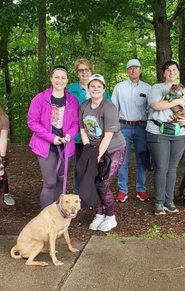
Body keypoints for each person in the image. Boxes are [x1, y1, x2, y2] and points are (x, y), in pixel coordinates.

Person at [146, 60, 185, 215]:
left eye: (174, 69)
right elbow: (155, 105)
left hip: (179, 133)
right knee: (162, 167)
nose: (171, 72)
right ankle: (159, 202)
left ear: (178, 72)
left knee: (173, 168)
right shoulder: (157, 88)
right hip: (158, 132)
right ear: (164, 73)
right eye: (168, 70)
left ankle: (169, 201)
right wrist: (177, 101)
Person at [27, 66, 79, 209]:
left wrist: (69, 135)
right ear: (51, 79)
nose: (59, 80)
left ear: (67, 80)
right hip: (46, 145)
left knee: (61, 180)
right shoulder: (40, 98)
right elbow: (32, 122)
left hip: (65, 145)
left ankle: (58, 213)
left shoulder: (72, 100)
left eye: (63, 77)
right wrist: (51, 137)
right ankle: (46, 215)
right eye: (56, 77)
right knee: (50, 182)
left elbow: (75, 124)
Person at [79, 74, 126, 232]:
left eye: (99, 86)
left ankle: (111, 216)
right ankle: (99, 213)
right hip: (93, 149)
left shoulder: (109, 107)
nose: (96, 89)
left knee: (103, 182)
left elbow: (108, 135)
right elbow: (82, 129)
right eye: (93, 86)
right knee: (92, 181)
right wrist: (87, 149)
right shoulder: (84, 106)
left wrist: (97, 156)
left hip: (113, 149)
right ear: (88, 87)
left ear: (104, 89)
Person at [67, 59, 111, 193]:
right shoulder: (71, 90)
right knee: (80, 166)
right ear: (77, 73)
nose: (84, 72)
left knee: (97, 165)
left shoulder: (100, 89)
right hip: (79, 136)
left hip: (98, 136)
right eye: (81, 70)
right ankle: (78, 194)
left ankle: (93, 194)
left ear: (91, 71)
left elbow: (108, 112)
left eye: (87, 69)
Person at [111, 59, 152, 202]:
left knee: (142, 158)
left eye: (136, 68)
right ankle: (123, 190)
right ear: (127, 71)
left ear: (140, 70)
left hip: (142, 127)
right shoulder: (119, 87)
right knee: (123, 159)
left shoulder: (148, 88)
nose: (133, 70)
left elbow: (151, 109)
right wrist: (114, 129)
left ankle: (141, 189)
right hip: (123, 127)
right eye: (130, 68)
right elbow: (113, 108)